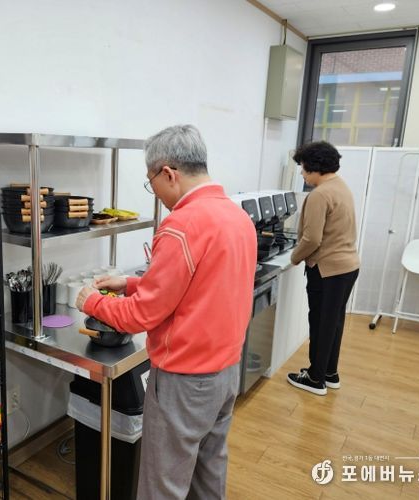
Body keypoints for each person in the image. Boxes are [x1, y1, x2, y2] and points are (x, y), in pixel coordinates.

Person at [75, 125, 256, 500]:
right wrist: (130, 283)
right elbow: (200, 287)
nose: (154, 191)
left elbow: (141, 316)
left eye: (151, 181)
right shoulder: (236, 216)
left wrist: (90, 301)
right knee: (209, 475)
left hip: (185, 381)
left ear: (169, 173)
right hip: (225, 373)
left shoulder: (182, 225)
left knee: (163, 486)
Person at [287, 141, 360, 396]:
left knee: (320, 322)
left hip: (328, 269)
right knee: (333, 322)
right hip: (347, 267)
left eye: (303, 167)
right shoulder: (340, 186)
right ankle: (329, 373)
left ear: (315, 166)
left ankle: (315, 379)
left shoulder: (319, 194)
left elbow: (312, 239)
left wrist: (293, 258)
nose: (301, 173)